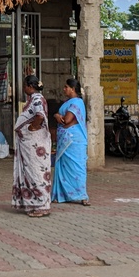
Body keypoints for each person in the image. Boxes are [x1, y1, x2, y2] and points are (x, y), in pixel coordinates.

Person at [12, 74, 52, 218]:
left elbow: (39, 116)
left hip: (35, 144)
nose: (24, 88)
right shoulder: (34, 99)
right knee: (32, 172)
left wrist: (31, 128)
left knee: (37, 173)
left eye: (25, 85)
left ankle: (42, 205)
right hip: (31, 145)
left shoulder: (37, 99)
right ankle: (35, 203)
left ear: (30, 86)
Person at [51, 78, 90, 206]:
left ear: (72, 89)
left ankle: (82, 195)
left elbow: (66, 120)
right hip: (66, 139)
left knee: (77, 168)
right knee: (64, 167)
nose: (64, 89)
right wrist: (57, 116)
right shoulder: (68, 102)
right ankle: (62, 194)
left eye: (66, 87)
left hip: (74, 141)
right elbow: (63, 118)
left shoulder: (77, 103)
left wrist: (58, 116)